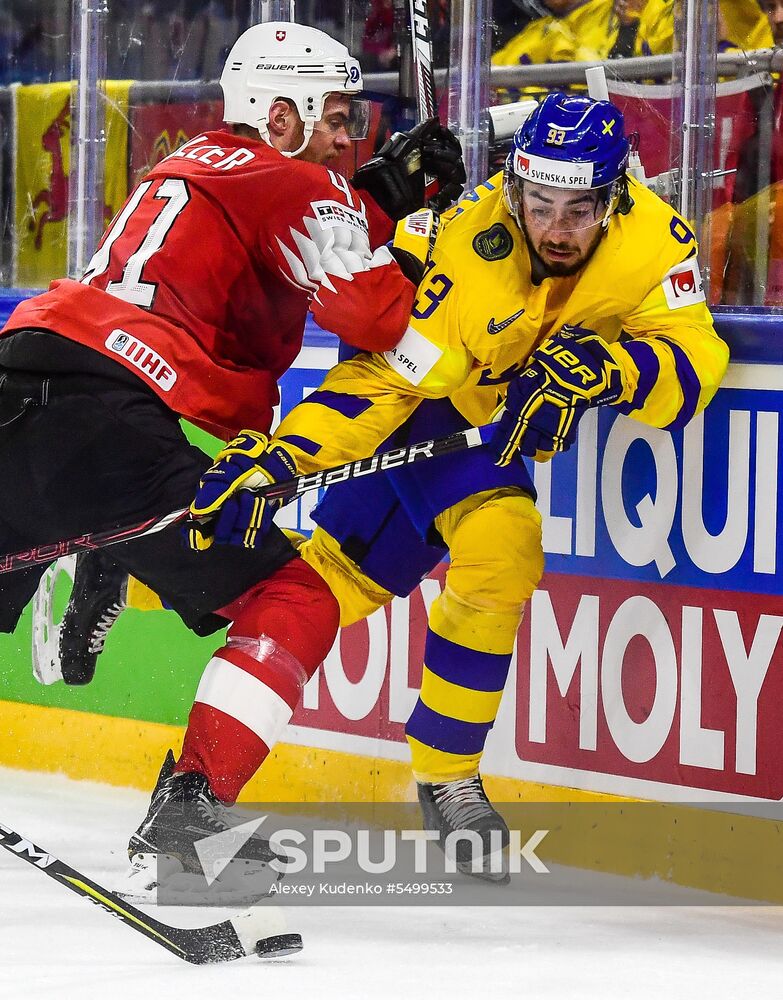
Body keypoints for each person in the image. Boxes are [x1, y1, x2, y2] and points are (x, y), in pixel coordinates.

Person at [52, 93, 729, 881]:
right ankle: (436, 780)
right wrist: (284, 458)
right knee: (501, 542)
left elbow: (691, 361)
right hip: (428, 412)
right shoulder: (475, 242)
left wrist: (611, 371)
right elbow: (385, 382)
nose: (553, 227)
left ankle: (196, 794)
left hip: (478, 427)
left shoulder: (656, 239)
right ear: (513, 186)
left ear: (616, 198)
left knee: (313, 594)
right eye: (538, 203)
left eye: (578, 209)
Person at [0, 20, 464, 888]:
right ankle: (189, 810)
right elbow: (375, 317)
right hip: (107, 434)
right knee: (298, 594)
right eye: (332, 115)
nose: (345, 133)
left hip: (19, 375)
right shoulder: (292, 181)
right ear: (278, 114)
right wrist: (418, 244)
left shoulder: (182, 165)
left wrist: (383, 196)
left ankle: (100, 550)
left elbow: (289, 218)